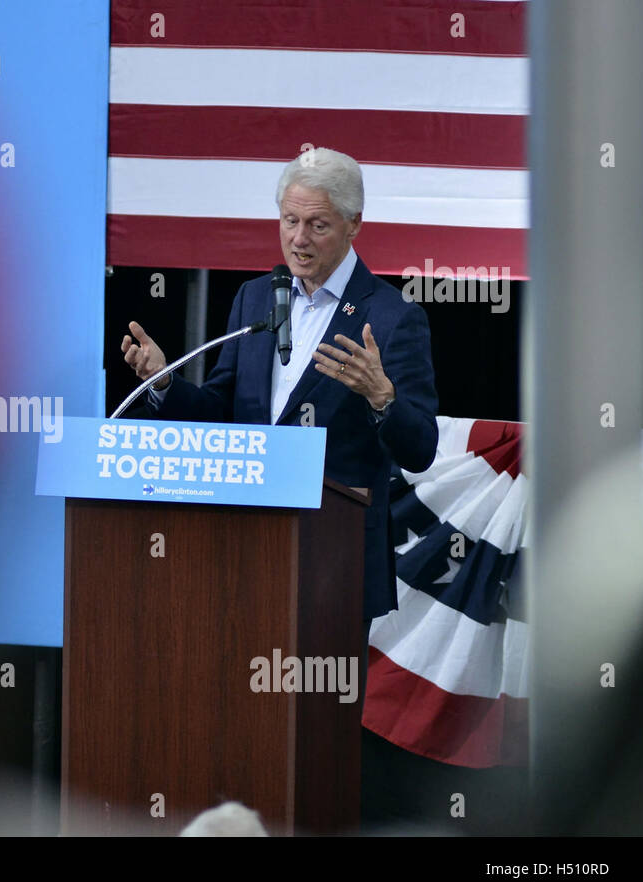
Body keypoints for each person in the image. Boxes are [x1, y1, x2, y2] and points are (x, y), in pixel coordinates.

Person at [121, 148, 439, 626]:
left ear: (354, 224)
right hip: (240, 546)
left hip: (334, 557)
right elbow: (222, 410)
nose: (298, 239)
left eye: (317, 225)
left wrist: (382, 397)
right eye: (289, 221)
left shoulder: (392, 317)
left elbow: (420, 450)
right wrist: (165, 383)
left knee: (315, 698)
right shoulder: (255, 298)